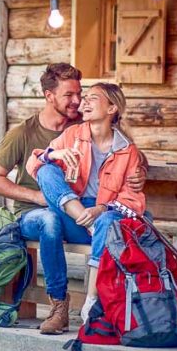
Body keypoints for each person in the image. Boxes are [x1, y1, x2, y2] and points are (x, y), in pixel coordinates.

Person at [0, 64, 146, 335]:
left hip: (74, 212)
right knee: (49, 217)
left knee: (109, 220)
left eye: (81, 95)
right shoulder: (24, 134)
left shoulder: (81, 128)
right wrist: (39, 193)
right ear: (49, 96)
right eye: (70, 95)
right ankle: (59, 306)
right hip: (36, 212)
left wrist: (140, 173)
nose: (78, 101)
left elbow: (125, 152)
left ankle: (101, 304)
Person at [26, 82, 146, 326]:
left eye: (93, 98)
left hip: (101, 217)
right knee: (47, 173)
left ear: (112, 108)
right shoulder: (73, 135)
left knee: (107, 221)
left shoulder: (127, 151)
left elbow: (133, 201)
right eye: (86, 98)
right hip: (74, 214)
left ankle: (92, 302)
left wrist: (100, 209)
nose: (85, 102)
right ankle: (59, 307)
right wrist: (53, 155)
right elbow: (34, 164)